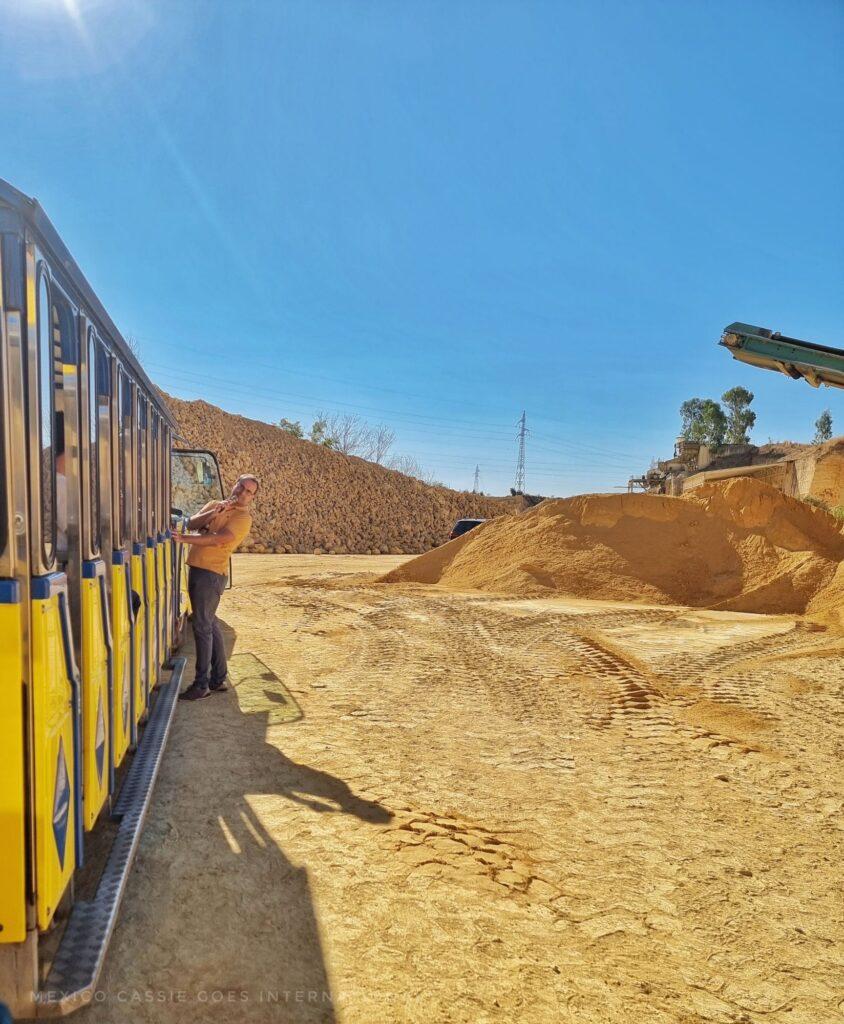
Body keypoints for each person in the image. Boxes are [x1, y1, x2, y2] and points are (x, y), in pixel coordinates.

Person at [173, 474, 258, 700]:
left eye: (249, 491)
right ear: (235, 484)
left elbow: (219, 539)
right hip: (199, 569)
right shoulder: (215, 505)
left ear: (252, 497)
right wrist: (214, 512)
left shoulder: (243, 518)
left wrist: (183, 539)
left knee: (201, 627)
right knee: (209, 623)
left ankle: (202, 685)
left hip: (210, 575)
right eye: (241, 486)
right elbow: (192, 523)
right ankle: (218, 678)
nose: (243, 492)